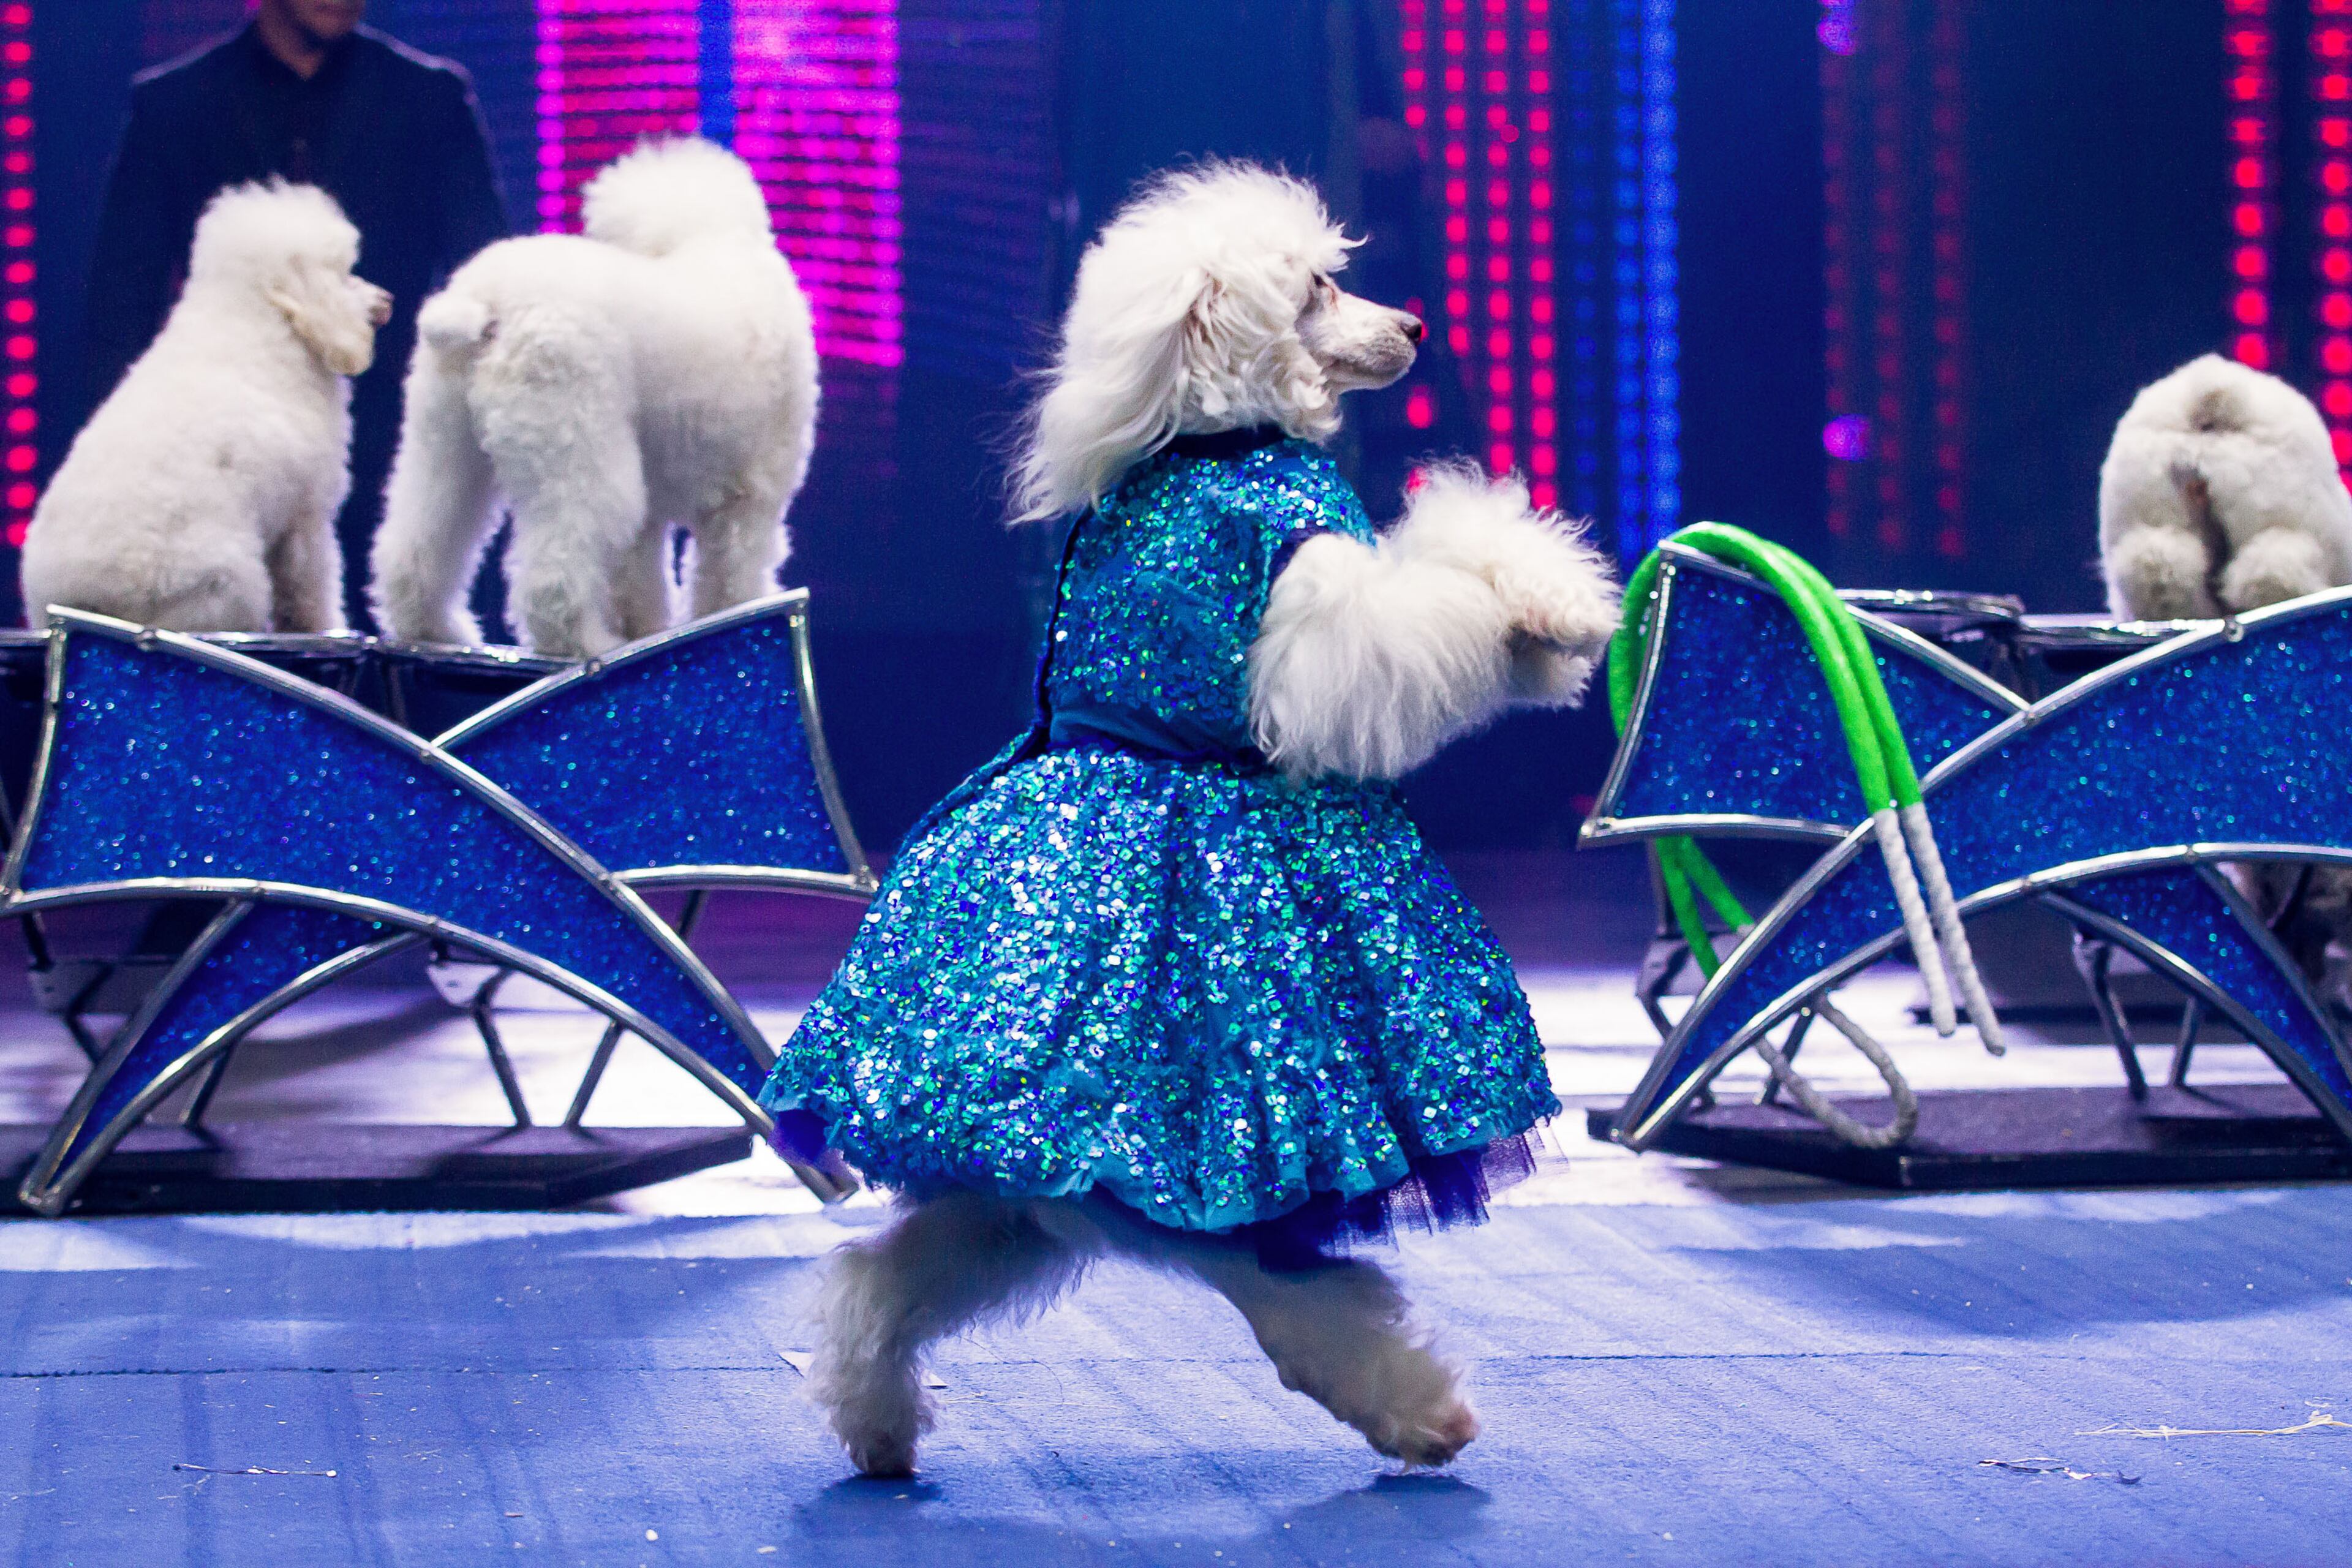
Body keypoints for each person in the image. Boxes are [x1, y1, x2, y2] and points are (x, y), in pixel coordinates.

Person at [80, 0, 508, 628]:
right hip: (220, 467)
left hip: (396, 459)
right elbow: (119, 313)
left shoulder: (428, 99)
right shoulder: (175, 105)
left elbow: (485, 281)